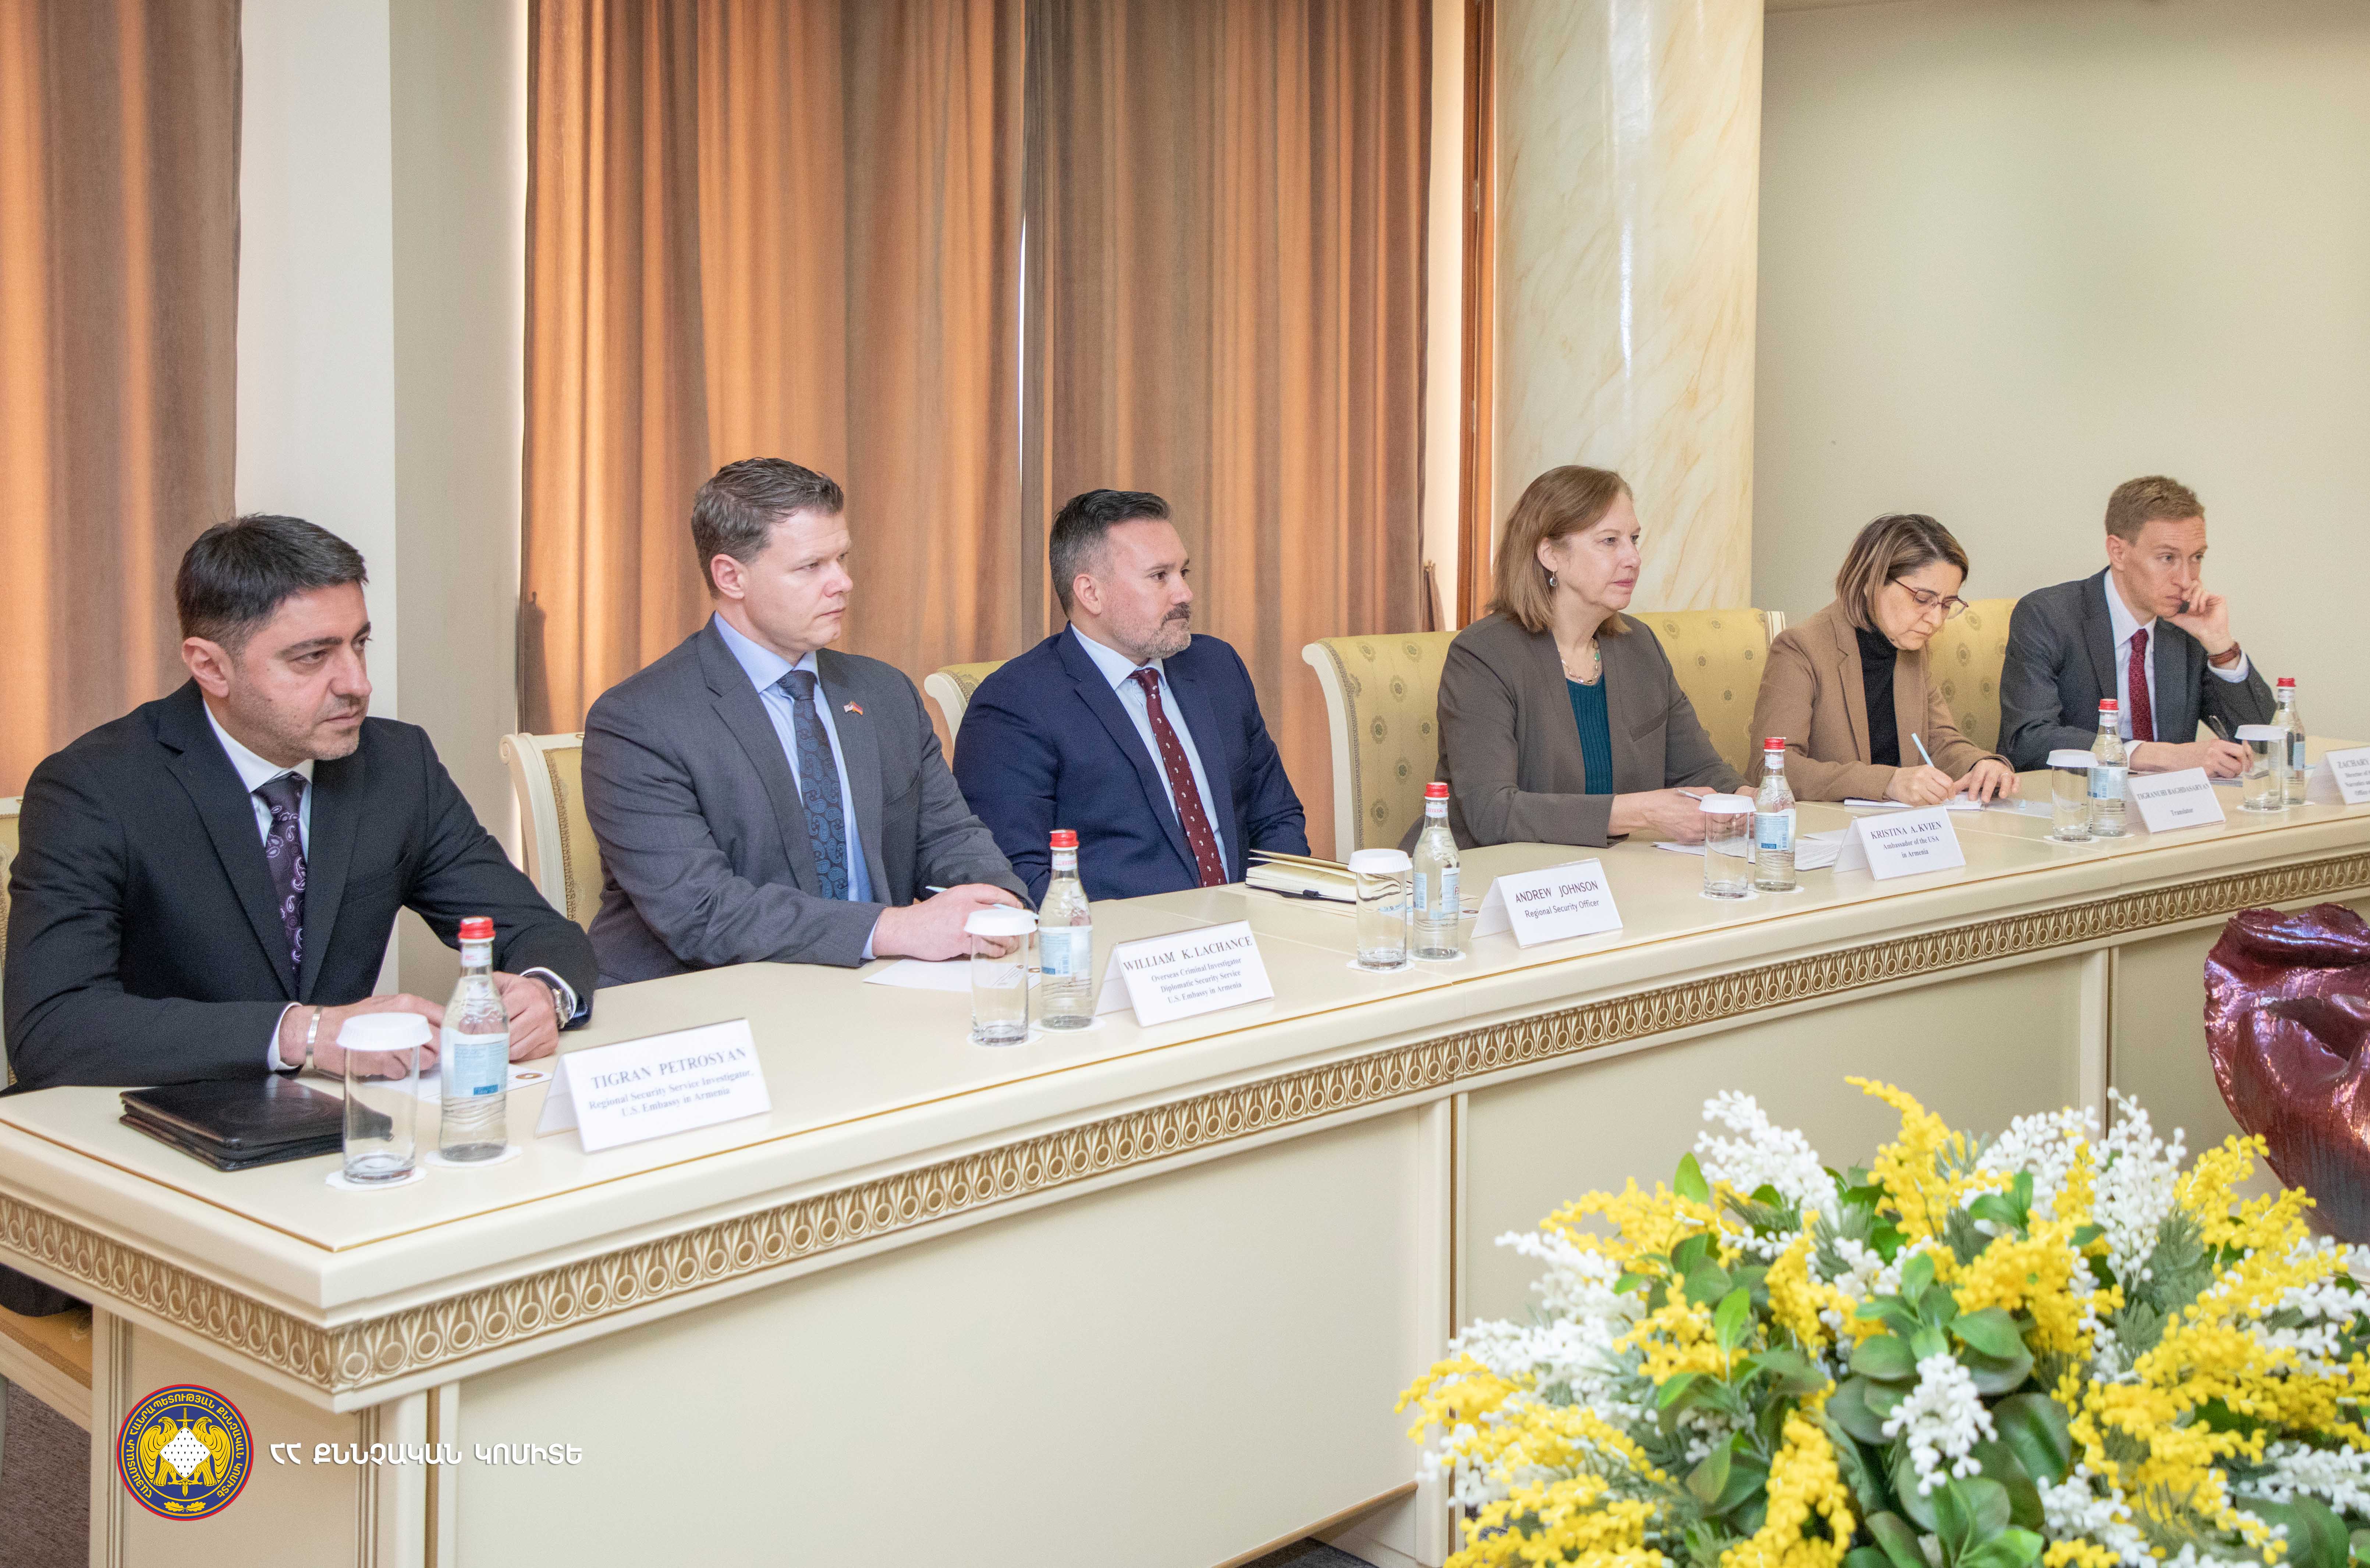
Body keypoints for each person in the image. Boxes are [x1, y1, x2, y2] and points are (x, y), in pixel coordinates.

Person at [3, 514, 595, 1097]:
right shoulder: (95, 788)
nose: (357, 683)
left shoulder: (397, 766)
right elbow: (53, 1026)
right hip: (149, 1119)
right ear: (210, 666)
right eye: (313, 657)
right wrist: (302, 1033)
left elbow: (536, 929)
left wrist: (544, 992)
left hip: (338, 1120)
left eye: (359, 644)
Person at [581, 458, 1026, 980]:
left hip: (873, 988)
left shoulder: (883, 692)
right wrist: (892, 928)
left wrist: (997, 904)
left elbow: (951, 837)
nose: (843, 582)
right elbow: (703, 912)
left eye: (841, 558)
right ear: (731, 577)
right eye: (811, 566)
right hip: (703, 998)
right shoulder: (639, 721)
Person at [952, 489, 1307, 902]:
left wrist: (1277, 912)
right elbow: (1015, 874)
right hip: (1118, 938)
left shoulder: (1216, 667)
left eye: (1183, 572)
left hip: (1248, 925)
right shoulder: (1015, 704)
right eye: (1159, 577)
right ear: (1091, 593)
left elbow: (1276, 818)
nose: (1184, 593)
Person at [1416, 466, 1741, 850]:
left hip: (1613, 874)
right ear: (1550, 554)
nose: (1633, 558)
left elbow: (1699, 770)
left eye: (1634, 539)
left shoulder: (1640, 646)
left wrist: (1751, 797)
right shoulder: (1482, 656)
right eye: (1609, 541)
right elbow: (1493, 813)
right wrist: (1641, 813)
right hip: (1486, 874)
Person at [2000, 475, 2272, 774]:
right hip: (2079, 798)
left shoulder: (2186, 625)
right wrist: (2159, 756)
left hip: (2173, 802)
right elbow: (2028, 740)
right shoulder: (2048, 616)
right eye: (2167, 558)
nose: (2186, 580)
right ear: (2118, 552)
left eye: (2196, 557)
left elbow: (2265, 743)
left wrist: (2220, 645)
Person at [1748, 514, 2018, 805]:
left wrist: (1981, 765)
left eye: (1947, 604)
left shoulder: (1910, 645)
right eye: (1922, 599)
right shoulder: (1800, 648)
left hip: (1900, 826)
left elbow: (1938, 741)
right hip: (1824, 827)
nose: (1936, 620)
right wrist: (1887, 782)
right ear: (1871, 582)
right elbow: (1771, 769)